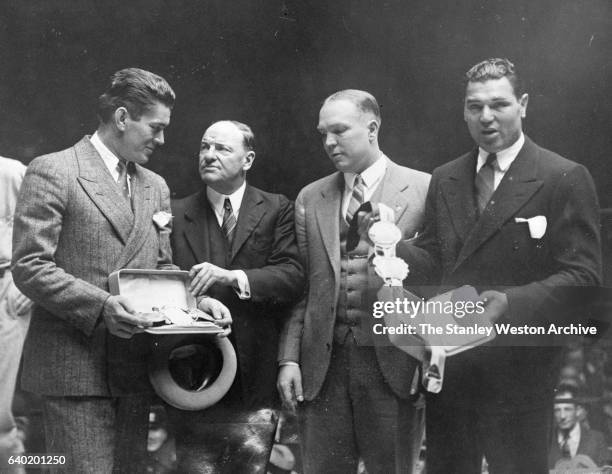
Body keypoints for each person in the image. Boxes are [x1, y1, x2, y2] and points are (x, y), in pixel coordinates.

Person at [12, 68, 229, 472]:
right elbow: (30, 265)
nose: (162, 140)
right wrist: (102, 306)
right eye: (156, 127)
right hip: (76, 370)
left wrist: (198, 305)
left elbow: (161, 270)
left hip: (134, 369)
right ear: (123, 117)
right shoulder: (54, 170)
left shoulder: (155, 186)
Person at [397, 58, 602, 473]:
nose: (486, 117)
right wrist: (391, 250)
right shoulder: (446, 177)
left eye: (499, 104)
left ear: (523, 104)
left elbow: (583, 279)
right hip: (450, 365)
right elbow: (438, 263)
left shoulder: (562, 176)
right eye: (475, 107)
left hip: (521, 372)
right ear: (464, 111)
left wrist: (508, 302)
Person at [277, 89, 430, 473]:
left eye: (340, 130)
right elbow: (304, 289)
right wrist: (290, 359)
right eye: (323, 133)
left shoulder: (425, 189)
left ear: (372, 128)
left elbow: (436, 282)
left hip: (395, 367)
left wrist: (429, 355)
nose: (329, 142)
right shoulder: (311, 198)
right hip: (322, 369)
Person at [169, 120, 304, 471]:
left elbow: (292, 276)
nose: (209, 155)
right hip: (193, 374)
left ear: (248, 159)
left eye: (222, 149)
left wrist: (234, 276)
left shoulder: (277, 209)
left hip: (256, 377)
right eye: (204, 146)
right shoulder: (175, 213)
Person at [0, 157, 32, 473]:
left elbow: (49, 233)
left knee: (0, 416)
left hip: (5, 291)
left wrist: (26, 285)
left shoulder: (11, 172)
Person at [548, 385, 608, 469]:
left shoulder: (596, 440)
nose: (562, 416)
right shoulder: (546, 441)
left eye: (567, 409)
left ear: (578, 410)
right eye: (557, 410)